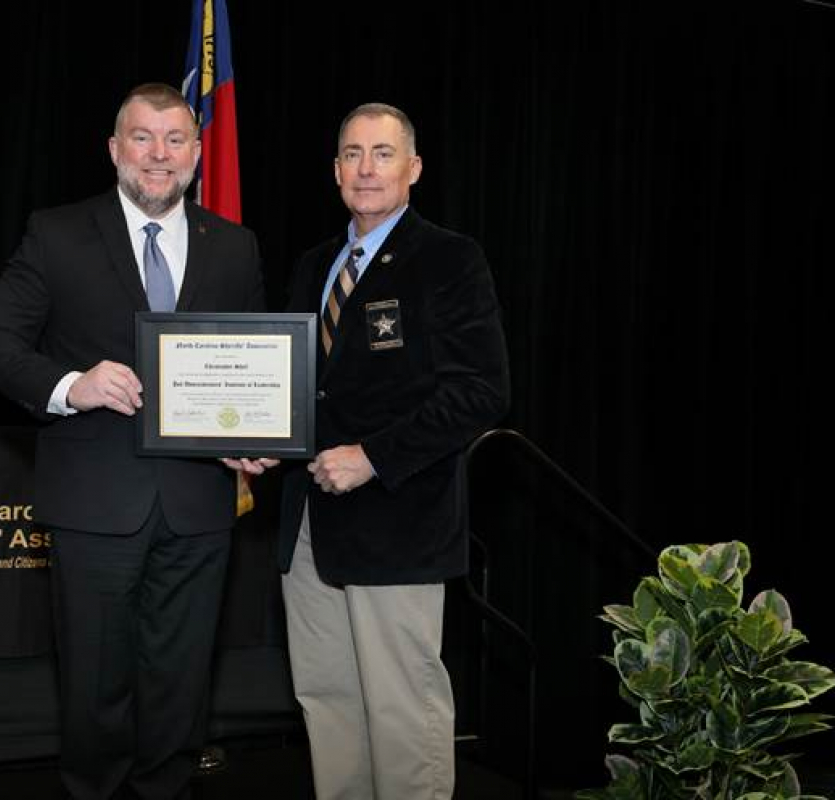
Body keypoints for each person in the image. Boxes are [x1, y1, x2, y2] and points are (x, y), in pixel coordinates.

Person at [0, 83, 267, 800]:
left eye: (174, 140)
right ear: (114, 149)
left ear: (197, 153)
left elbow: (251, 361)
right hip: (96, 503)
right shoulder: (58, 232)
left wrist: (250, 437)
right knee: (96, 683)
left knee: (181, 680)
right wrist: (75, 384)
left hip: (199, 505)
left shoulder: (235, 246)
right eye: (142, 138)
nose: (158, 155)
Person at [276, 103, 510, 799]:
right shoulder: (313, 264)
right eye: (351, 153)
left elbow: (482, 392)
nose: (365, 168)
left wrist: (373, 456)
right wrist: (259, 442)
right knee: (328, 699)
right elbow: (299, 389)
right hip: (307, 525)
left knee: (401, 705)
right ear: (335, 171)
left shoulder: (449, 258)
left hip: (398, 518)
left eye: (382, 153)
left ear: (413, 169)